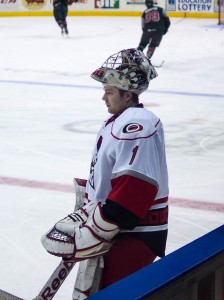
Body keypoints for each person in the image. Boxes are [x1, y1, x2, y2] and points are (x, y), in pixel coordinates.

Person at [41, 48, 169, 299]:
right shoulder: (119, 120)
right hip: (118, 230)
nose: (103, 98)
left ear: (128, 94)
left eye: (109, 92)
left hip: (131, 235)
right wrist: (89, 198)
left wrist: (97, 227)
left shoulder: (136, 123)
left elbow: (136, 188)